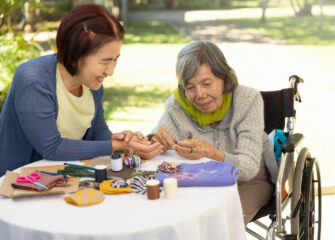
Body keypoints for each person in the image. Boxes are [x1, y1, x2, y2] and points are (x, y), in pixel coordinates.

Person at [0, 4, 163, 177]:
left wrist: (122, 140)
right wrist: (115, 146)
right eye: (104, 61)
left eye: (115, 60)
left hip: (60, 180)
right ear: (76, 54)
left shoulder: (92, 85)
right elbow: (52, 148)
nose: (110, 71)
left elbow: (98, 134)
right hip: (17, 185)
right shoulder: (33, 80)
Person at [150, 41, 273, 224]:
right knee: (175, 219)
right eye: (190, 87)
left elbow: (247, 169)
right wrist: (154, 140)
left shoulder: (248, 100)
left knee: (217, 222)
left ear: (224, 78)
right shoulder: (176, 106)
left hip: (247, 184)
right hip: (198, 183)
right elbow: (154, 146)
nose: (199, 95)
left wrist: (210, 152)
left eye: (207, 84)